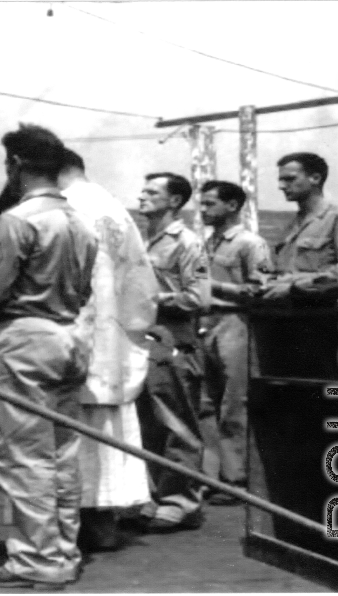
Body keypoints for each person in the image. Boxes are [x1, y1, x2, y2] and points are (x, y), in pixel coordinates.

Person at [0, 124, 98, 588]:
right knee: (60, 452)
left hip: (26, 338)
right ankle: (61, 548)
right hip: (70, 334)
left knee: (21, 454)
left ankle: (38, 561)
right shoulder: (79, 219)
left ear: (15, 164)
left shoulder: (18, 220)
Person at [57, 148, 159, 551]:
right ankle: (102, 521)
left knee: (70, 433)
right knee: (104, 431)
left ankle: (71, 529)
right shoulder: (116, 208)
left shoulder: (63, 208)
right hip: (114, 339)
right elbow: (141, 283)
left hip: (76, 336)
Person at [136, 172, 209, 532]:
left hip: (175, 342)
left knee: (178, 423)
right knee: (148, 423)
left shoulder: (188, 242)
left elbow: (198, 297)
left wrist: (151, 299)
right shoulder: (139, 240)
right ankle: (154, 495)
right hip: (144, 342)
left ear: (175, 201)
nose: (141, 197)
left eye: (151, 192)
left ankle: (181, 500)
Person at [197, 180, 271, 505]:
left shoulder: (249, 243)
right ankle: (212, 476)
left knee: (233, 402)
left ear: (231, 206)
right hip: (206, 323)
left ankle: (236, 479)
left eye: (210, 203)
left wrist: (209, 285)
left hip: (235, 322)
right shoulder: (208, 242)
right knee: (206, 404)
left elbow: (259, 288)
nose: (202, 210)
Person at [263, 152, 338, 299]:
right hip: (288, 311)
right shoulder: (291, 226)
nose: (281, 186)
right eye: (281, 180)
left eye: (290, 179)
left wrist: (295, 287)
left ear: (315, 178)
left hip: (319, 312)